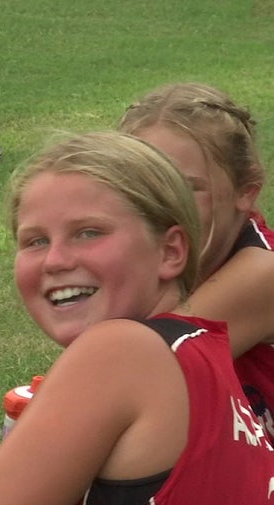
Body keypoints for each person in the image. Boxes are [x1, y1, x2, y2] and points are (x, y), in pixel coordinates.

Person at [0, 131, 274, 505]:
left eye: (89, 232)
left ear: (170, 251)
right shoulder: (197, 350)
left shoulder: (120, 354)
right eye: (35, 241)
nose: (55, 260)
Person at [118, 82, 274, 439]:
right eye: (136, 186)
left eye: (186, 187)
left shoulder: (262, 273)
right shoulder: (166, 261)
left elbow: (129, 377)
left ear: (245, 191)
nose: (157, 205)